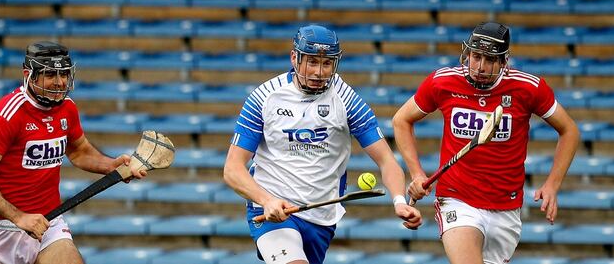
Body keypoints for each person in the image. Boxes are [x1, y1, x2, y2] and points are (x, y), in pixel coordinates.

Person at [223, 24, 422, 264]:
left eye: (326, 63)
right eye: (312, 62)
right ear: (294, 58)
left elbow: (386, 160)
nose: (319, 72)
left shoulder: (346, 99)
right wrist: (266, 200)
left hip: (322, 217)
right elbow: (233, 168)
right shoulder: (264, 97)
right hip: (272, 210)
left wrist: (399, 201)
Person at [392, 21, 580, 264]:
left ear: (503, 62)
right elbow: (401, 120)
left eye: (489, 60)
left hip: (506, 207)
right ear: (467, 53)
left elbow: (570, 130)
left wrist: (552, 185)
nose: (480, 66)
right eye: (475, 56)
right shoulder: (443, 82)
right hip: (457, 199)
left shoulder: (528, 88)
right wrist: (417, 174)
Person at [0, 41, 147, 264]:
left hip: (49, 225)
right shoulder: (6, 116)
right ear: (29, 75)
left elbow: (79, 152)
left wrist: (111, 165)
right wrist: (19, 217)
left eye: (64, 74)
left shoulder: (67, 108)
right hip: (4, 232)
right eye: (50, 74)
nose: (60, 83)